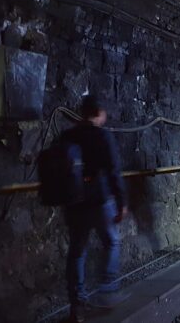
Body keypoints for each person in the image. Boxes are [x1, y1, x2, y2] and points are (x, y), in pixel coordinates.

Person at [60, 95, 128, 321]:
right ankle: (106, 291)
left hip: (73, 202)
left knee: (77, 252)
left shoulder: (68, 136)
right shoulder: (102, 136)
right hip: (100, 200)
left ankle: (77, 305)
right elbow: (114, 171)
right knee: (111, 242)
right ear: (100, 113)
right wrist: (122, 202)